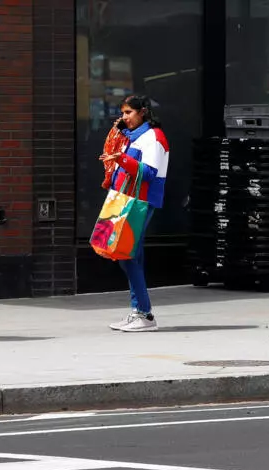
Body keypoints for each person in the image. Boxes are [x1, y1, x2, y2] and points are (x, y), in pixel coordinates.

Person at [99, 95, 169, 332]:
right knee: (127, 255)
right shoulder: (133, 137)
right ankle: (140, 312)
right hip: (125, 201)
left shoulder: (154, 138)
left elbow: (149, 173)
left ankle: (144, 314)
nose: (124, 118)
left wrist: (122, 159)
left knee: (127, 255)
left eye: (128, 112)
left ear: (143, 112)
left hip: (139, 202)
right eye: (123, 112)